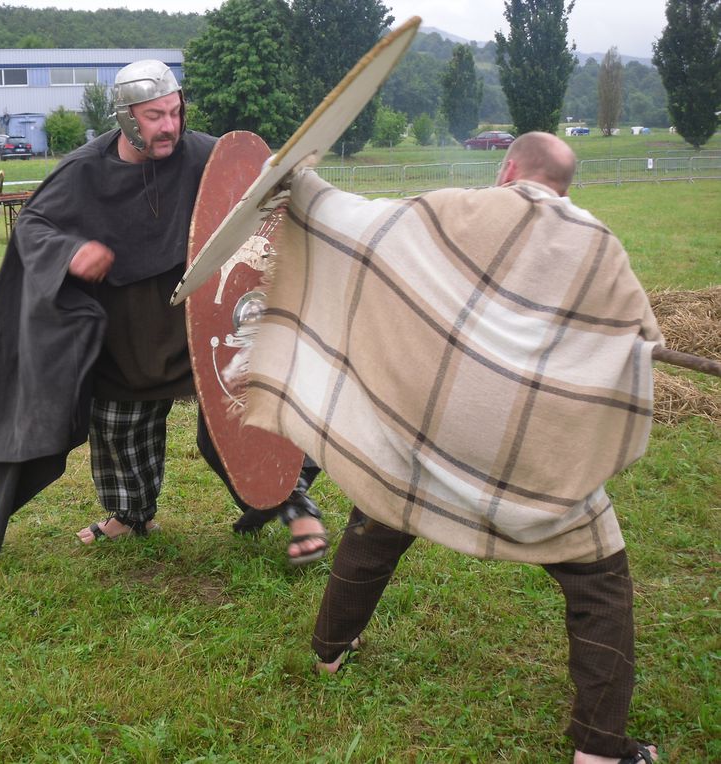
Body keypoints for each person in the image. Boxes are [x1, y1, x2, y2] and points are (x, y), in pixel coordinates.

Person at [238, 132, 661, 763]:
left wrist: (303, 187)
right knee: (600, 580)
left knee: (383, 509)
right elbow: (639, 338)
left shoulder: (457, 207)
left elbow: (365, 226)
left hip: (424, 435)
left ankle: (330, 652)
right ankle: (600, 751)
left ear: (509, 168)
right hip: (528, 463)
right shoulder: (599, 243)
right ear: (566, 182)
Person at [0, 59, 328, 565]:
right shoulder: (84, 169)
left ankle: (296, 507)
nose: (170, 125)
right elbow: (35, 225)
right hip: (128, 332)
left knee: (241, 416)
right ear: (126, 117)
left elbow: (255, 197)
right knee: (117, 427)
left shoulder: (205, 154)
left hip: (202, 323)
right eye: (155, 116)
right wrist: (71, 251)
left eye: (175, 112)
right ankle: (131, 515)